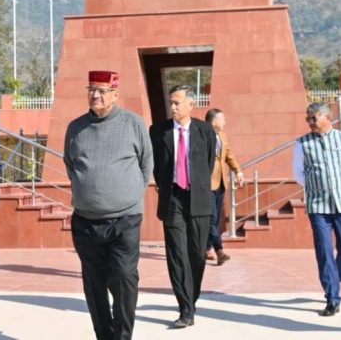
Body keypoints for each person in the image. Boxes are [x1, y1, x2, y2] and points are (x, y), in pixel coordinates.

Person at [64, 71, 153, 340]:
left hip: (125, 219)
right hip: (86, 221)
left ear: (115, 94)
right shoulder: (76, 128)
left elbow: (146, 163)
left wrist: (131, 194)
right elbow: (70, 165)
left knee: (124, 278)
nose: (95, 95)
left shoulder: (133, 123)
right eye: (91, 89)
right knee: (94, 284)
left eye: (102, 91)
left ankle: (123, 336)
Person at [149, 85, 216, 328]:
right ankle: (185, 309)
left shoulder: (205, 130)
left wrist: (196, 185)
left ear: (191, 105)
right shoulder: (158, 131)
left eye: (177, 103)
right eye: (171, 103)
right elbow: (157, 166)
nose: (173, 107)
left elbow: (209, 163)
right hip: (173, 198)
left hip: (198, 197)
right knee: (177, 254)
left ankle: (191, 299)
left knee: (197, 255)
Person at [292, 102, 341, 317]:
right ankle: (332, 297)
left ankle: (335, 278)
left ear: (327, 117)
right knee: (324, 250)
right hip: (318, 205)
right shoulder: (301, 144)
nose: (310, 122)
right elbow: (298, 173)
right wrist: (317, 188)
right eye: (308, 118)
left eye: (313, 117)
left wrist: (340, 186)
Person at [204, 108, 243, 265]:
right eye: (222, 119)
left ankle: (207, 247)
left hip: (220, 183)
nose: (225, 122)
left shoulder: (222, 136)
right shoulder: (202, 135)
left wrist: (238, 171)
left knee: (214, 218)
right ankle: (219, 250)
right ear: (214, 121)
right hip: (206, 183)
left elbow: (228, 155)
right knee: (211, 217)